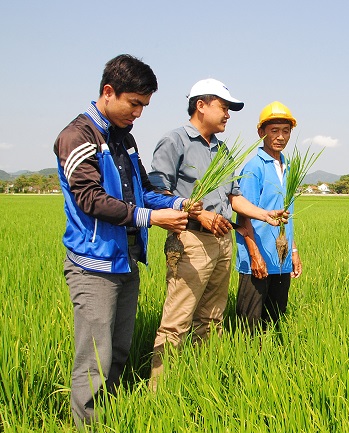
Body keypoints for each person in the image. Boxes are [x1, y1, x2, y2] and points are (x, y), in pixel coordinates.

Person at [53, 54, 198, 426]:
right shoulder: (77, 137)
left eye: (143, 106)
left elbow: (141, 190)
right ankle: (88, 424)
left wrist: (179, 203)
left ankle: (111, 416)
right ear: (108, 91)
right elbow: (91, 199)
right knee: (94, 358)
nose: (138, 113)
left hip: (126, 260)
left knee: (117, 350)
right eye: (134, 104)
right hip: (93, 265)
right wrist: (153, 218)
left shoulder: (125, 139)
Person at [147, 79, 286, 385]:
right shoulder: (175, 141)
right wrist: (198, 213)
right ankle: (158, 392)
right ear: (201, 105)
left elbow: (233, 197)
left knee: (211, 319)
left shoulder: (222, 150)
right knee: (177, 322)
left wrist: (265, 214)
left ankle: (201, 382)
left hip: (222, 242)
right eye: (224, 108)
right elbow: (155, 193)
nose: (228, 115)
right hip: (191, 240)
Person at [235, 101, 303, 334]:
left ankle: (270, 365)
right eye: (274, 130)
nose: (281, 137)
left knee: (274, 323)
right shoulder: (254, 167)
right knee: (249, 327)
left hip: (280, 260)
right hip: (258, 260)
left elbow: (287, 215)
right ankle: (245, 367)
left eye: (286, 131)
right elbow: (243, 215)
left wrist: (293, 251)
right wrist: (255, 256)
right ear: (261, 132)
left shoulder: (289, 167)